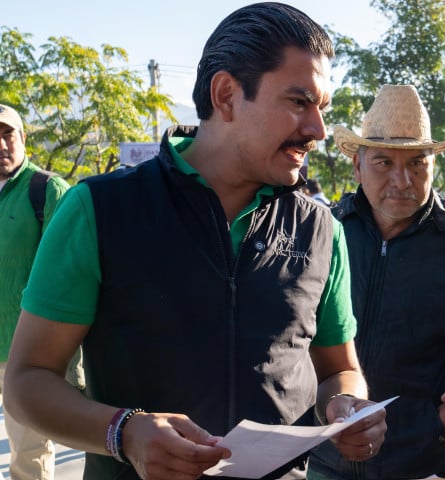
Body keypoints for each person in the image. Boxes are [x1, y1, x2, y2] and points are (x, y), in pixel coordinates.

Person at [4, 4, 387, 479]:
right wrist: (123, 431)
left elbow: (337, 370)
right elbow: (26, 382)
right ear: (226, 94)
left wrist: (349, 404)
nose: (318, 130)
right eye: (298, 102)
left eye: (321, 109)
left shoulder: (322, 228)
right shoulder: (97, 210)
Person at [308, 85, 445, 480]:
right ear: (357, 167)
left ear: (433, 167)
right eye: (383, 162)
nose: (402, 180)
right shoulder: (326, 233)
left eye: (416, 164)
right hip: (327, 460)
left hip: (427, 464)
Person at [0, 104, 85, 480]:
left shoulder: (47, 190)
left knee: (28, 453)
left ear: (23, 139)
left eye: (7, 134)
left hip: (25, 351)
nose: (1, 144)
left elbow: (71, 273)